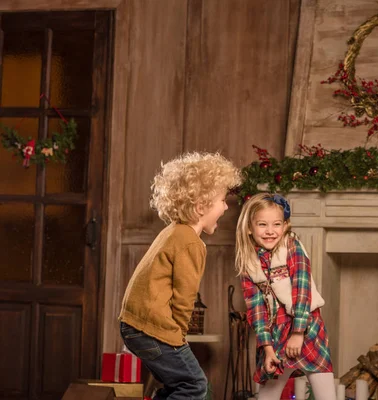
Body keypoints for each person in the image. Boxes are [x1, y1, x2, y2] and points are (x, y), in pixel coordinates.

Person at [119, 152, 241, 400]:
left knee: (178, 386)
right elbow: (185, 298)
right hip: (153, 329)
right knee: (195, 385)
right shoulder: (190, 243)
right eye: (222, 200)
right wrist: (179, 338)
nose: (226, 206)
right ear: (200, 207)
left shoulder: (173, 232)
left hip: (135, 326)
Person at [235, 193, 336, 400]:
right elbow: (256, 310)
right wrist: (267, 348)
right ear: (249, 228)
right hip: (275, 334)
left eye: (276, 224)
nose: (270, 231)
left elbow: (302, 289)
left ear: (285, 225)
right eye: (262, 224)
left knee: (326, 394)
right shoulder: (248, 263)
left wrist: (298, 333)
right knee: (267, 395)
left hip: (307, 328)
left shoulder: (292, 247)